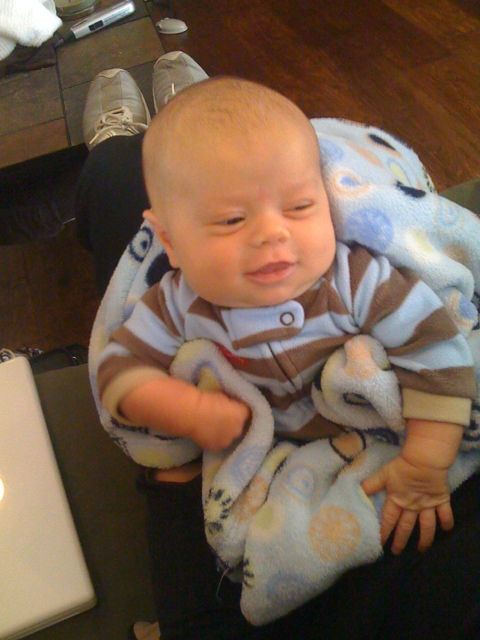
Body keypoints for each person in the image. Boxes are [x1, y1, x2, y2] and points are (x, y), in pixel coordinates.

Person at [76, 52, 480, 640]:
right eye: (230, 219)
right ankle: (182, 126)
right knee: (136, 168)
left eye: (300, 206)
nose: (272, 233)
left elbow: (438, 352)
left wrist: (425, 460)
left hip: (368, 437)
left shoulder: (357, 279)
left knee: (115, 168)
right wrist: (175, 406)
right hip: (273, 450)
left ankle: (150, 140)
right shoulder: (178, 303)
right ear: (169, 240)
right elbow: (117, 368)